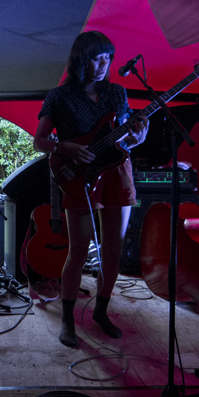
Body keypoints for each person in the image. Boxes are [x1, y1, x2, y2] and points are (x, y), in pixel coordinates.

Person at [33, 31, 148, 348]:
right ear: (82, 58)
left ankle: (101, 311)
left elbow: (124, 135)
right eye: (98, 57)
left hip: (117, 174)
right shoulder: (59, 96)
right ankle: (67, 322)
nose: (104, 64)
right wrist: (66, 146)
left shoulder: (117, 93)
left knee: (113, 251)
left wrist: (137, 138)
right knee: (79, 251)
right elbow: (39, 141)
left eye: (108, 58)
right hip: (79, 176)